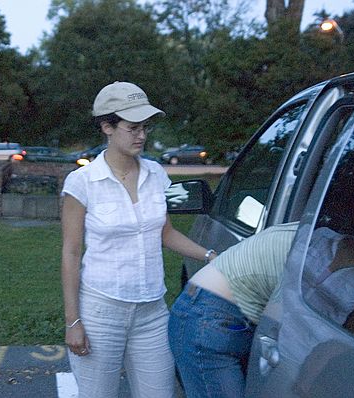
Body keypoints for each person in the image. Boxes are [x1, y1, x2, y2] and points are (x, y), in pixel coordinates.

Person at [60, 81, 216, 398]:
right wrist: (72, 320)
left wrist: (213, 257)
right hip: (101, 311)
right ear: (107, 126)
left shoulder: (156, 174)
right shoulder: (83, 182)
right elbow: (71, 253)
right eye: (133, 128)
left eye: (144, 127)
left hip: (152, 313)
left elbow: (166, 233)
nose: (142, 136)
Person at [168, 222, 299, 398]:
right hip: (206, 319)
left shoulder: (302, 233)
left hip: (211, 315)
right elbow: (277, 325)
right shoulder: (303, 251)